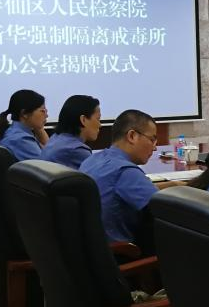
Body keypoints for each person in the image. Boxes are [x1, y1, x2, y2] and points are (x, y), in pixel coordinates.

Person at [79, 109, 161, 249]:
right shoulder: (125, 171)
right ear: (132, 136)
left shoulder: (92, 159)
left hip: (90, 249)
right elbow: (164, 210)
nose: (155, 148)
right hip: (121, 253)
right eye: (152, 140)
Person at [40, 94, 100, 170]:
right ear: (83, 120)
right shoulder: (77, 150)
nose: (100, 125)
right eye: (98, 119)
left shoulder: (56, 138)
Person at [0, 89, 49, 161]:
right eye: (43, 111)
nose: (47, 115)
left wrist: (39, 128)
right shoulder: (21, 140)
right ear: (24, 114)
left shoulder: (12, 131)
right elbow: (48, 165)